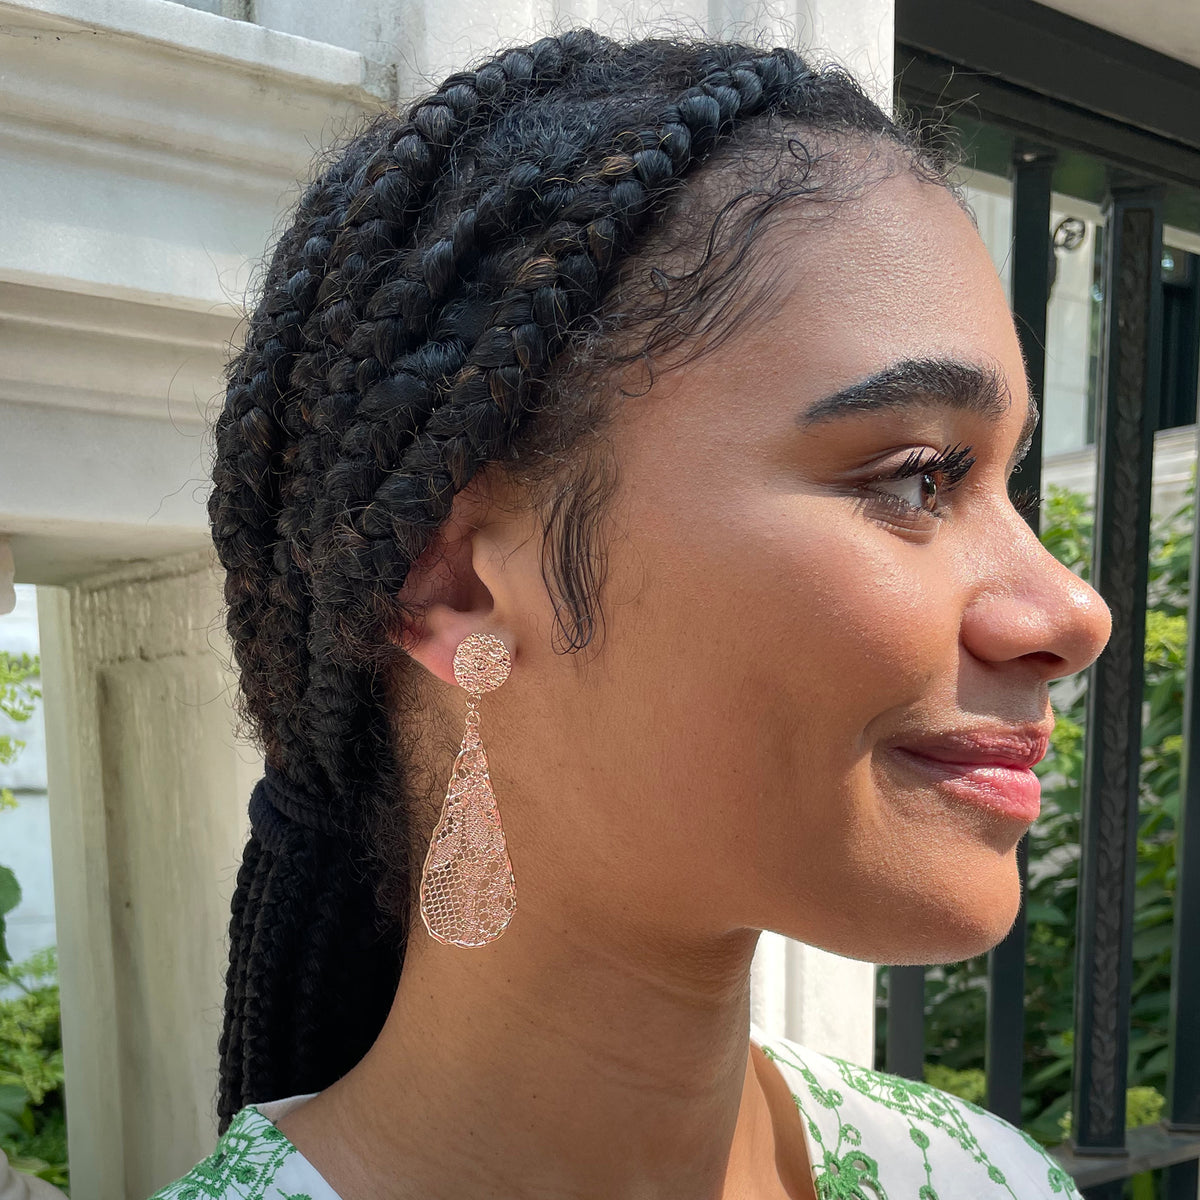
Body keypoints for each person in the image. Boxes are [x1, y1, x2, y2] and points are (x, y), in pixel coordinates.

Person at [151, 28, 1110, 1200]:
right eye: (917, 479)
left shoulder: (985, 1180)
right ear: (454, 585)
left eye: (1008, 482)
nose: (1073, 610)